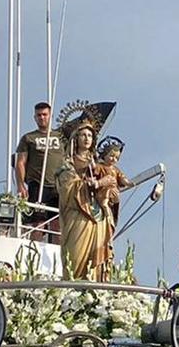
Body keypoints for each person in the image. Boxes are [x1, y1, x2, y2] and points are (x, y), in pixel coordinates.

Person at [54, 124, 120, 279]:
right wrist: (96, 184)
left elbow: (111, 187)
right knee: (76, 257)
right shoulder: (68, 164)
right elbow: (67, 189)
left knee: (97, 258)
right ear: (75, 139)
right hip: (78, 215)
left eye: (90, 135)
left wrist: (111, 195)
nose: (86, 139)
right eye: (83, 135)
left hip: (99, 216)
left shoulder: (99, 165)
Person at [13, 101, 59, 235]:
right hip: (37, 184)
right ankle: (33, 249)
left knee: (57, 222)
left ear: (50, 115)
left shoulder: (61, 137)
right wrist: (21, 185)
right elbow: (20, 162)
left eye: (45, 114)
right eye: (39, 115)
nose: (42, 117)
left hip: (57, 185)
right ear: (35, 117)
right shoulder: (29, 138)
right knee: (38, 222)